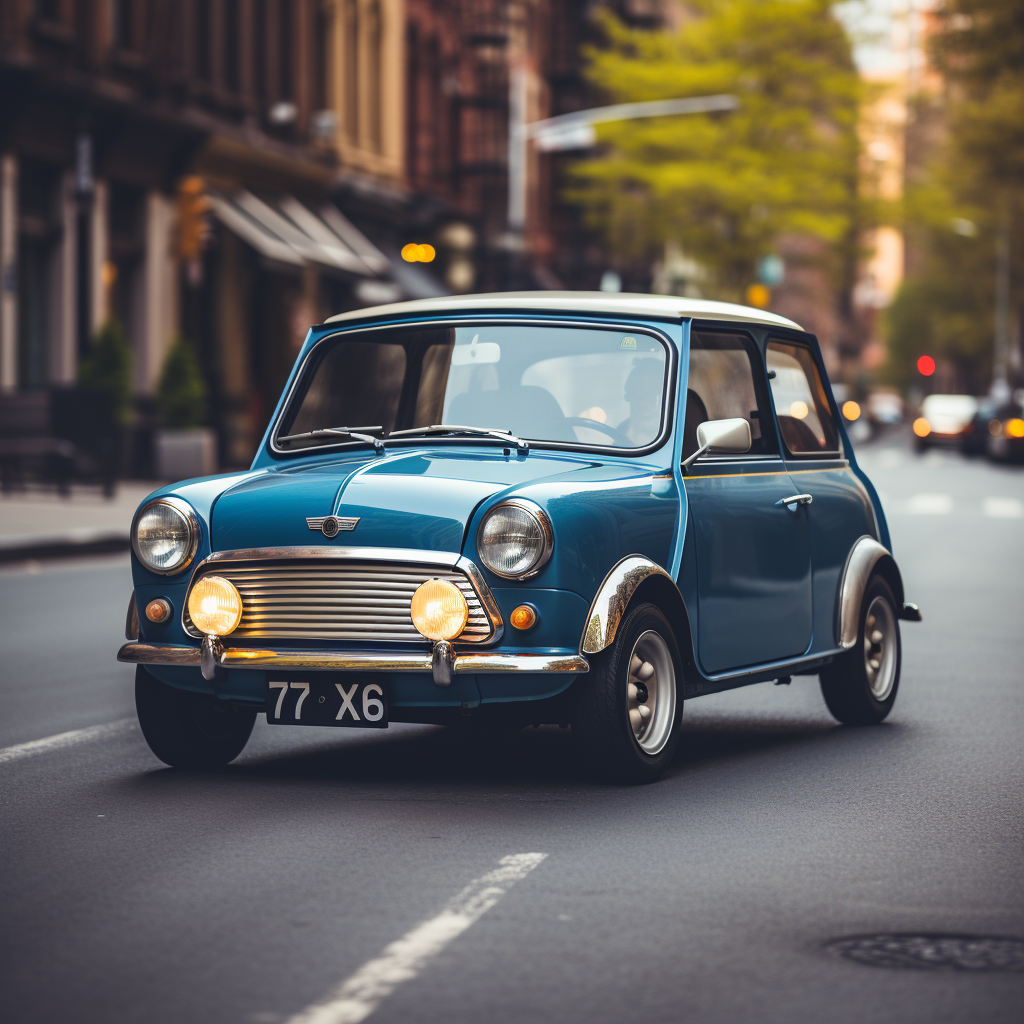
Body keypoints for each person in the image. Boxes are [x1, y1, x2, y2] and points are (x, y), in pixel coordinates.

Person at [618, 358, 664, 445]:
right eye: (636, 393)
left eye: (651, 394)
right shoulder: (619, 432)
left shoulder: (680, 434)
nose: (642, 402)